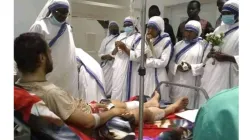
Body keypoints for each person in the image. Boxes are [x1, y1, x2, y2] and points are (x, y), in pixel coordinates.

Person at [14, 32, 189, 136]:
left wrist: (101, 107)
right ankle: (169, 109)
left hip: (84, 109)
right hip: (96, 125)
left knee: (110, 102)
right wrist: (114, 113)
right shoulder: (50, 93)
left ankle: (150, 102)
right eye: (49, 52)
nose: (52, 55)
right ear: (41, 58)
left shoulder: (22, 85)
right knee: (136, 113)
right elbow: (89, 123)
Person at [29, 0, 79, 97]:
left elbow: (69, 50)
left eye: (65, 13)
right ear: (51, 11)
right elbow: (30, 51)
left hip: (68, 75)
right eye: (59, 12)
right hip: (48, 74)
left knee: (67, 103)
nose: (63, 16)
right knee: (47, 102)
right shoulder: (40, 26)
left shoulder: (67, 28)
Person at [199, 0, 239, 107]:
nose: (225, 16)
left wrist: (229, 58)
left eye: (228, 13)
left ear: (238, 14)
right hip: (213, 71)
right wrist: (209, 54)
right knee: (210, 99)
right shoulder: (218, 29)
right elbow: (209, 48)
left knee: (227, 103)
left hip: (231, 72)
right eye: (223, 13)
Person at [169, 20, 210, 109]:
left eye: (191, 32)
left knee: (190, 107)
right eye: (186, 31)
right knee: (175, 106)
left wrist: (191, 67)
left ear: (197, 33)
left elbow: (206, 65)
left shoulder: (203, 46)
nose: (187, 34)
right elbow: (171, 62)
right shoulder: (178, 45)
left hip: (192, 81)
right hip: (177, 80)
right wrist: (177, 67)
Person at [111, 17, 141, 101]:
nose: (126, 27)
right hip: (118, 66)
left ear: (134, 25)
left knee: (127, 89)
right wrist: (116, 48)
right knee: (116, 87)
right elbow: (113, 52)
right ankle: (115, 105)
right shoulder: (121, 35)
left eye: (129, 25)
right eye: (125, 25)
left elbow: (138, 57)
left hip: (130, 67)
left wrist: (124, 48)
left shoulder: (139, 37)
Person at [144, 16, 174, 100]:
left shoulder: (166, 41)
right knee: (146, 100)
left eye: (153, 28)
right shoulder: (147, 39)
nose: (150, 30)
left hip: (159, 74)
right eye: (148, 27)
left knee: (158, 101)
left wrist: (147, 61)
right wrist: (147, 43)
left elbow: (163, 62)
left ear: (159, 29)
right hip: (148, 74)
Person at [98, 21, 120, 98]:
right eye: (112, 27)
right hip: (107, 65)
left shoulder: (121, 39)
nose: (113, 28)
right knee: (106, 82)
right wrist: (106, 56)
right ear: (109, 29)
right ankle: (105, 97)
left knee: (116, 82)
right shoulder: (105, 40)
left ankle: (113, 98)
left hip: (117, 65)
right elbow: (100, 54)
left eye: (115, 27)